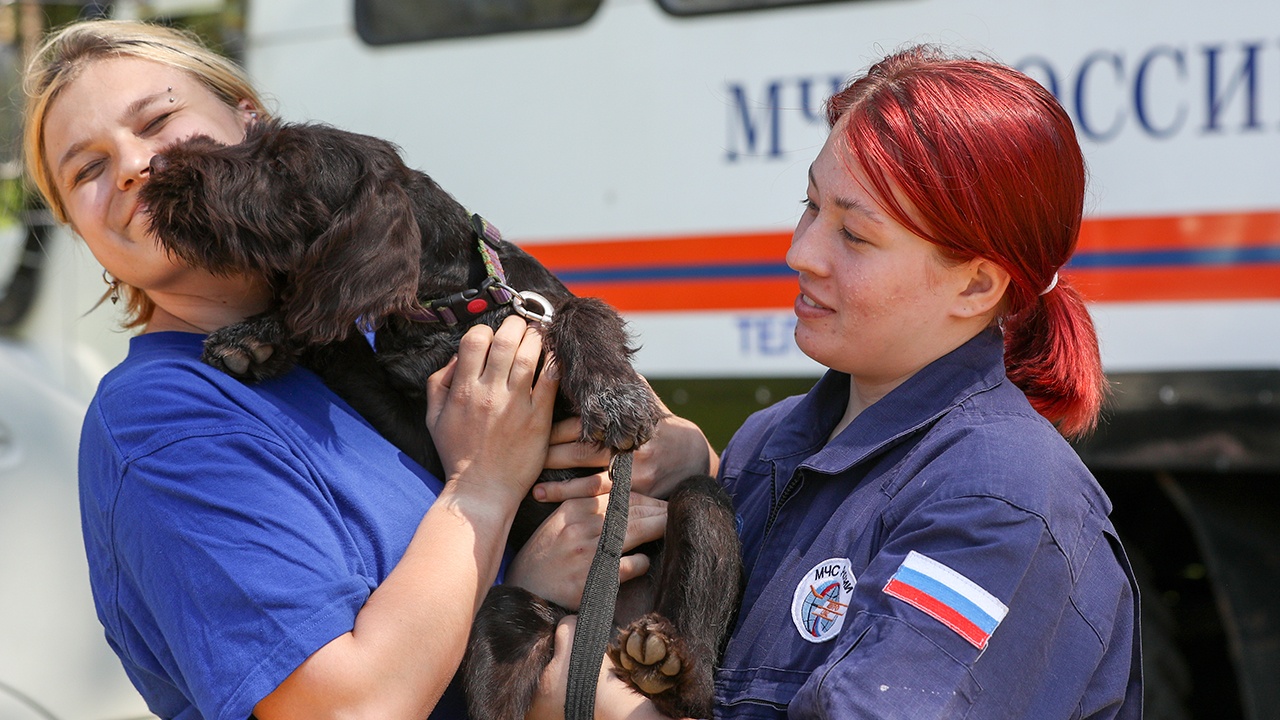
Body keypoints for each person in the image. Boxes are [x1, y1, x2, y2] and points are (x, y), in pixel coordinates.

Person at [23, 19, 715, 720]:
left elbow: (674, 456)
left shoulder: (371, 303)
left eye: (158, 117)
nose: (134, 166)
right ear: (81, 234)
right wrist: (484, 500)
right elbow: (346, 710)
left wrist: (682, 449)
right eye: (87, 170)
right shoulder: (164, 422)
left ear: (250, 120)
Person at [532, 45, 1143, 719]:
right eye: (810, 206)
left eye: (854, 234)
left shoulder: (1003, 501)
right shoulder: (770, 445)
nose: (800, 253)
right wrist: (699, 478)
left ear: (975, 284)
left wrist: (609, 706)